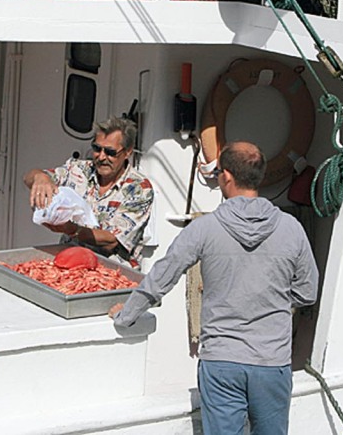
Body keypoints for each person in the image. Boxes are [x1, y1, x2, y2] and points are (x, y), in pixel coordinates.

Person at [110, 141, 318, 435]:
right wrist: (270, 299)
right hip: (272, 363)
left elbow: (161, 277)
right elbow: (307, 292)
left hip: (221, 361)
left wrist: (125, 315)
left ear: (228, 177)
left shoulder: (204, 228)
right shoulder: (291, 228)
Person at [24, 116, 153, 266]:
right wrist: (40, 178)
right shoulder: (79, 169)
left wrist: (72, 230)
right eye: (97, 148)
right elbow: (28, 177)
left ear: (128, 152)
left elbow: (111, 240)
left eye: (110, 152)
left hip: (109, 271)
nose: (102, 157)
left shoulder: (139, 188)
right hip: (68, 262)